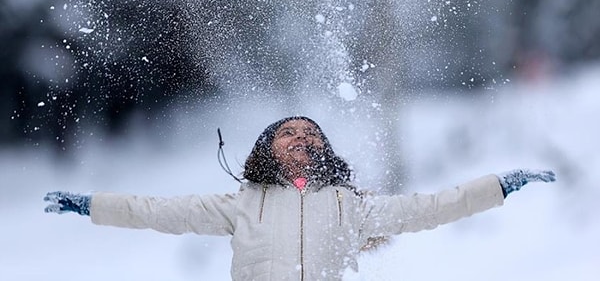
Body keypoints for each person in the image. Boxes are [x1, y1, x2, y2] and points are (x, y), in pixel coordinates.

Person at [44, 116, 556, 280]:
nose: (301, 138)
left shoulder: (350, 205)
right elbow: (154, 211)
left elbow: (431, 207)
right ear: (266, 148)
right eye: (288, 132)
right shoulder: (241, 204)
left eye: (311, 133)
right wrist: (89, 205)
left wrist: (500, 186)